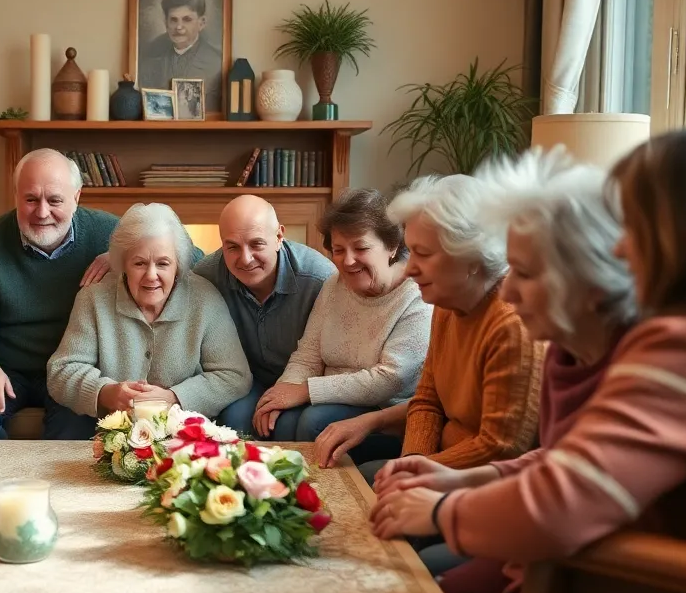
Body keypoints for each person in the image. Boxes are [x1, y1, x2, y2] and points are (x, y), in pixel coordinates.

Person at [370, 122, 686, 593]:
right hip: (578, 573)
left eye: (637, 225)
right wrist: (462, 481)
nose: (621, 246)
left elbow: (559, 501)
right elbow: (565, 457)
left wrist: (438, 509)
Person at [389, 149, 638, 593]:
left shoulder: (636, 368)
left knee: (422, 591)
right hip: (530, 532)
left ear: (591, 282)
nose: (510, 291)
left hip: (588, 577)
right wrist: (428, 468)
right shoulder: (568, 353)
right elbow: (556, 459)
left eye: (523, 273)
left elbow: (548, 481)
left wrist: (443, 504)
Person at [314, 174, 543, 486]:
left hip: (488, 486)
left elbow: (499, 448)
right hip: (438, 464)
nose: (409, 268)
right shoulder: (448, 303)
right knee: (336, 485)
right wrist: (412, 462)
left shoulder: (512, 326)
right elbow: (428, 400)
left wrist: (416, 476)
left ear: (471, 258)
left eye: (423, 253)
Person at [0, 149, 121, 438]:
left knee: (80, 415)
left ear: (76, 197)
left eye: (54, 200)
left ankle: (63, 483)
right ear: (15, 195)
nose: (42, 212)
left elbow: (186, 255)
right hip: (5, 367)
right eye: (30, 199)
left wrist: (123, 255)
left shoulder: (110, 232)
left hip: (74, 366)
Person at [253, 189, 432, 454]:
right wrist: (280, 394)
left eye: (361, 248)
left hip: (388, 413)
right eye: (338, 250)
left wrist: (306, 391)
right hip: (326, 399)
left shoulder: (417, 295)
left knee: (314, 423)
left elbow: (389, 379)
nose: (347, 261)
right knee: (280, 421)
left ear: (392, 246)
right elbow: (309, 354)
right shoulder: (335, 285)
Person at [48, 203, 251, 430]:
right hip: (111, 433)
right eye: (139, 263)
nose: (151, 275)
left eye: (163, 263)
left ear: (178, 266)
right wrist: (105, 392)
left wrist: (175, 397)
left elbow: (235, 375)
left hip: (184, 430)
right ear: (123, 264)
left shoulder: (205, 299)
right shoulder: (94, 299)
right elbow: (61, 371)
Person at [193, 195, 335, 434]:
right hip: (246, 380)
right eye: (232, 247)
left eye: (256, 244)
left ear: (279, 237)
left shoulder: (320, 279)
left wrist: (292, 391)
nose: (245, 259)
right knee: (235, 420)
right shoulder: (206, 277)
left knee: (286, 426)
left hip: (304, 381)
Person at [138, 0, 223, 112]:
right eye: (173, 20)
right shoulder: (150, 56)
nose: (179, 27)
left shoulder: (216, 62)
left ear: (201, 23)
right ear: (166, 23)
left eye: (187, 19)